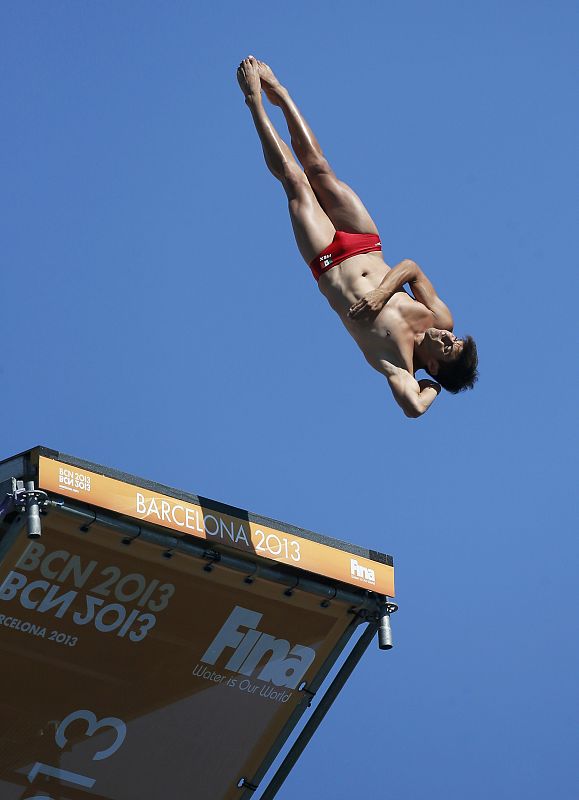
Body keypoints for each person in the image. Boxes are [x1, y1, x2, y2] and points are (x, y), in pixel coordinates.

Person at [237, 56, 478, 418]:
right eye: (454, 340)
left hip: (328, 260)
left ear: (437, 367)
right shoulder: (440, 319)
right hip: (364, 242)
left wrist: (432, 390)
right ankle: (281, 94)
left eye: (448, 348)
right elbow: (411, 267)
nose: (448, 338)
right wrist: (382, 293)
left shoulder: (399, 365)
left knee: (295, 180)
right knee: (319, 168)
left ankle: (254, 101)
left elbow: (413, 408)